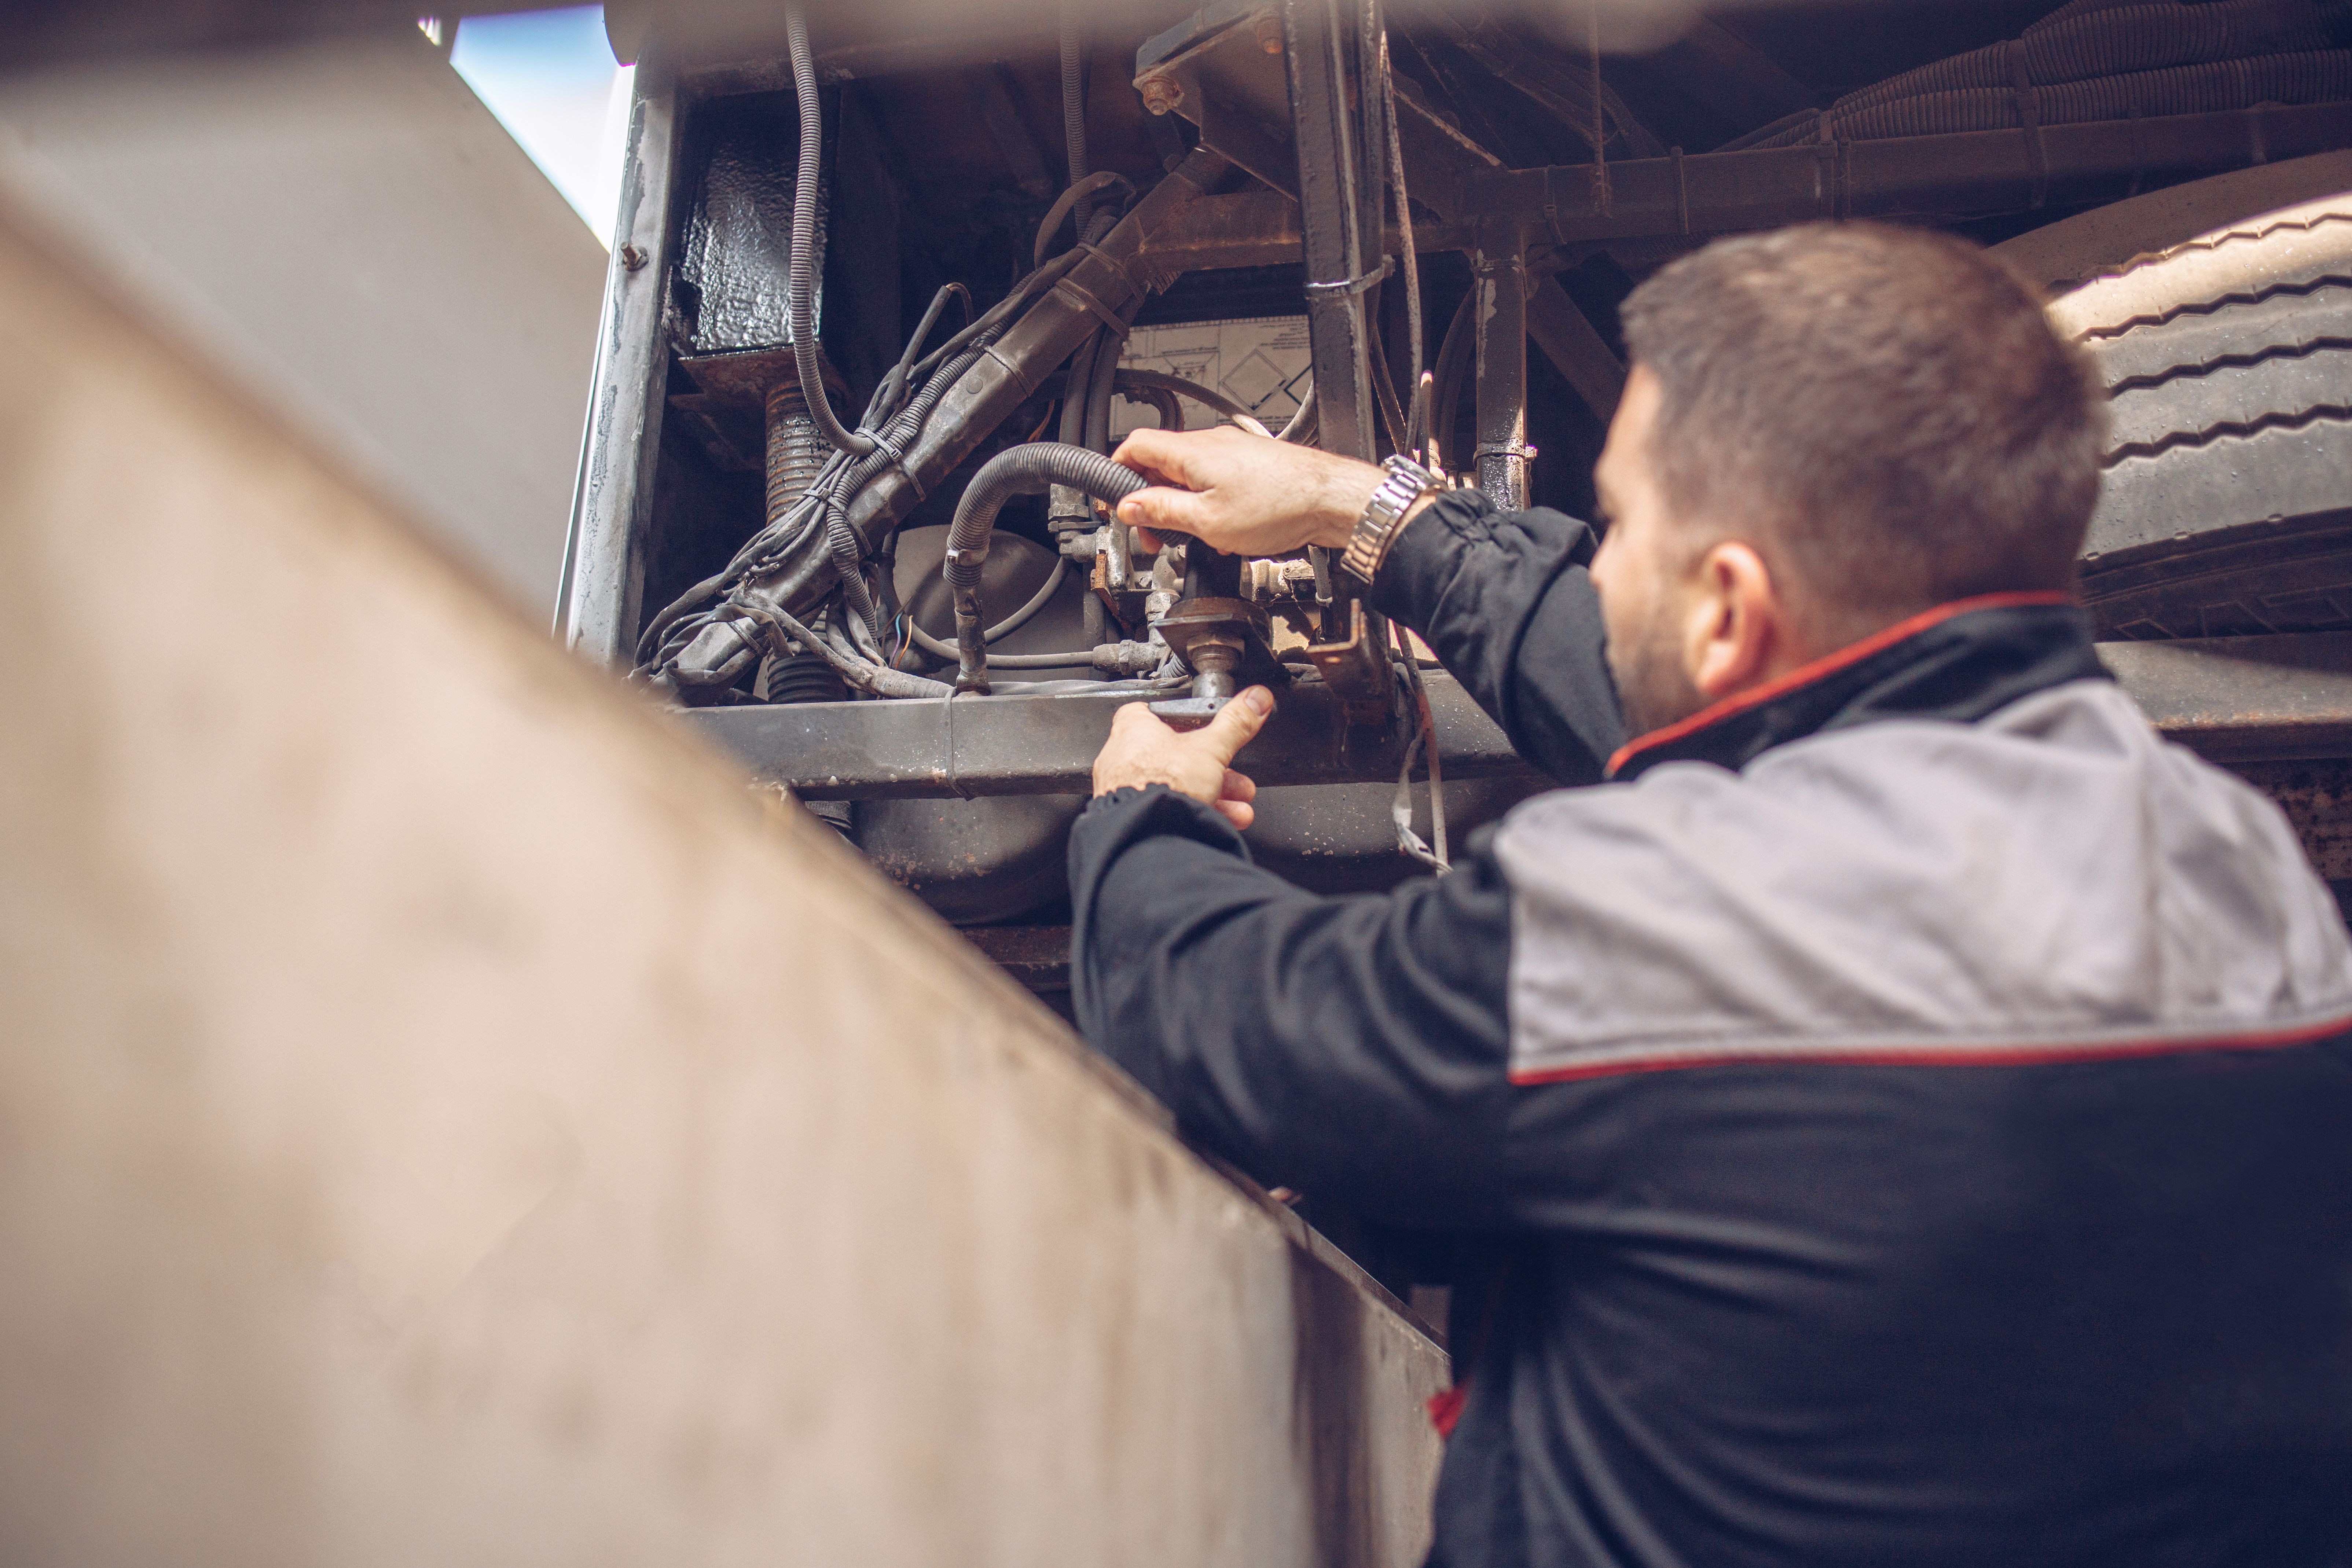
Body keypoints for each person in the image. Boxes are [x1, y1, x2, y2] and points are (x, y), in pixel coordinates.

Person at [1069, 223, 2352, 1567]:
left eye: (1623, 526)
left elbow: (1237, 1027)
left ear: (1731, 609)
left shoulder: (1657, 931)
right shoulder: (2243, 877)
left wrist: (1140, 820)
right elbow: (1694, 697)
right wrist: (1360, 510)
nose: (1604, 561)